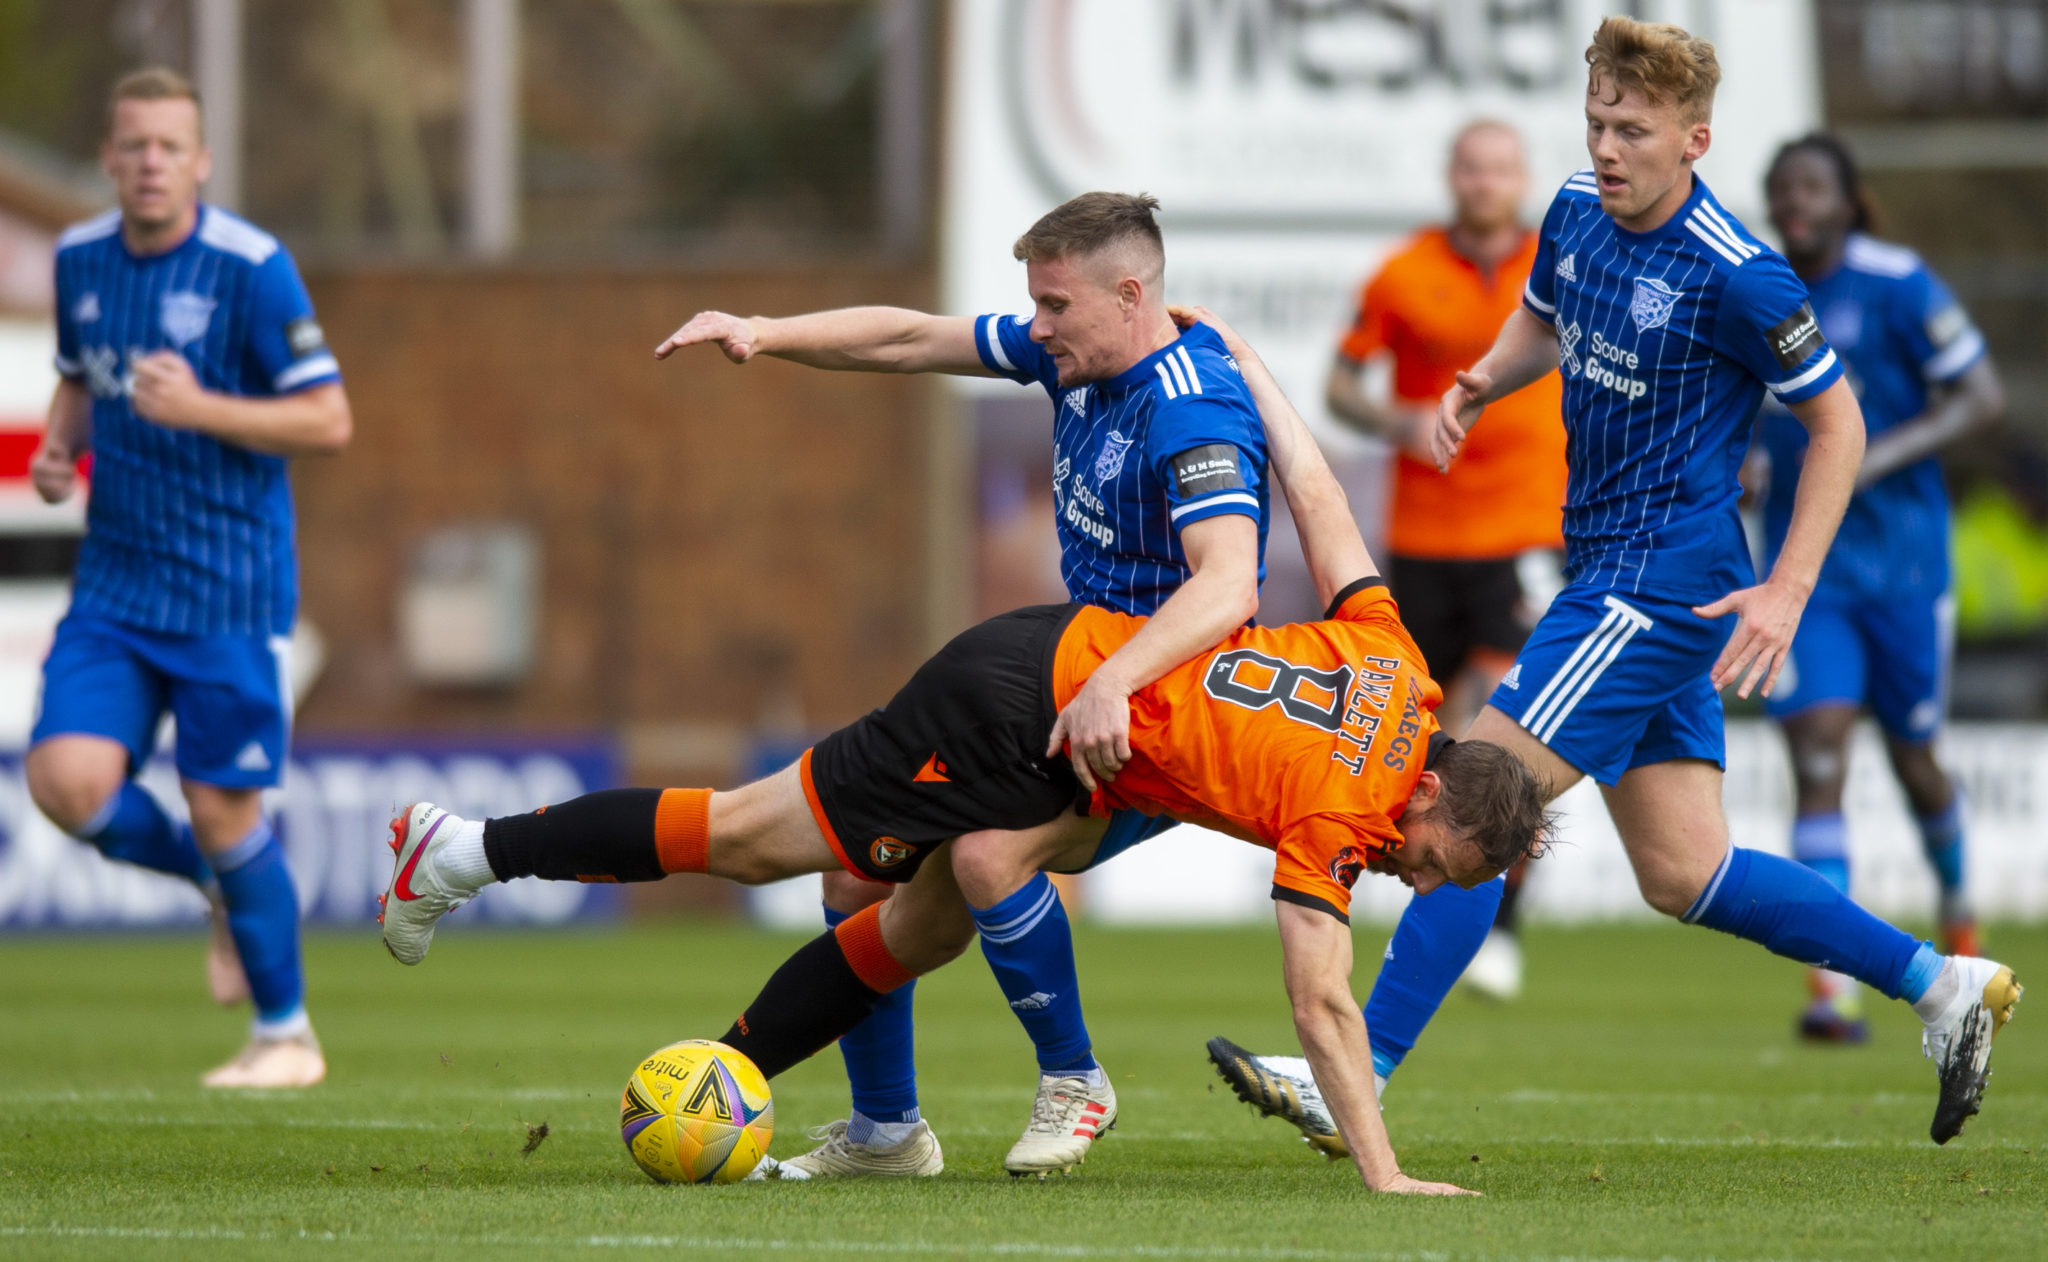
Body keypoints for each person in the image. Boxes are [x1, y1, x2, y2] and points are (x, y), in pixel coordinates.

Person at [377, 314, 1551, 1193]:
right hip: (1025, 700)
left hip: (1078, 713)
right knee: (757, 840)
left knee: (925, 907)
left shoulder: (1394, 658)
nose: (1416, 875)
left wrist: (1262, 375)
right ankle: (471, 848)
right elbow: (1320, 1001)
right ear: (1433, 784)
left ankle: (841, 1116)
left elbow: (1315, 495)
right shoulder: (1346, 813)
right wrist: (1381, 1168)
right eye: (1433, 857)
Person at [1209, 17, 2020, 1155]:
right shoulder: (1575, 215)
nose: (1604, 147)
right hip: (1607, 568)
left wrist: (1786, 591)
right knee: (1685, 870)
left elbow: (1835, 424)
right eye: (1594, 123)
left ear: (1691, 139)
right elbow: (1545, 315)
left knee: (1476, 788)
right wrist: (1482, 378)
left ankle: (1357, 1070)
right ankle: (1939, 985)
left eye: (1629, 130)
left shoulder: (1739, 271)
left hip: (1659, 579)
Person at [642, 192, 1274, 1177]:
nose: (1035, 325)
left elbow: (1229, 582)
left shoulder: (1188, 397)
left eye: (1054, 304)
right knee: (855, 870)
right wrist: (762, 332)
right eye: (1033, 304)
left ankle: (1074, 1077)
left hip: (1161, 710)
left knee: (986, 859)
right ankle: (884, 1130)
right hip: (1072, 687)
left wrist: (1112, 678)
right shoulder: (1073, 353)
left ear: (1127, 292)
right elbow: (903, 339)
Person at [32, 68, 352, 1087]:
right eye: (134, 145)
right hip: (118, 586)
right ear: (109, 159)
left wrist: (206, 406)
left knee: (224, 811)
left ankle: (286, 1034)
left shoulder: (254, 269)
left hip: (229, 589)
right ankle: (217, 889)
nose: (152, 162)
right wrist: (55, 447)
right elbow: (83, 373)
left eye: (171, 145)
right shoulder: (79, 257)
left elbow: (328, 419)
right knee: (65, 780)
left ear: (202, 162)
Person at [1755, 133, 2005, 1042]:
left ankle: (1960, 911)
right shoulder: (1756, 283)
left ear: (1851, 199)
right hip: (1804, 570)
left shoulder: (1899, 282)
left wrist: (1868, 456)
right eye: (1782, 189)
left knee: (1914, 759)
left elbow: (1980, 397)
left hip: (1904, 569)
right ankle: (1834, 992)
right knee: (1818, 753)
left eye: (1814, 187)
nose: (1796, 203)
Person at [1324, 118, 1569, 1008]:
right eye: (1471, 166)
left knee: (1506, 725)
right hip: (1424, 542)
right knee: (1405, 733)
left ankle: (1503, 923)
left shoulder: (1564, 259)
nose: (1485, 181)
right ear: (1452, 176)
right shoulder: (1402, 273)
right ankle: (1400, 871)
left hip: (1528, 536)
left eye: (1500, 167)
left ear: (1519, 175)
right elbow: (1342, 384)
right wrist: (1397, 422)